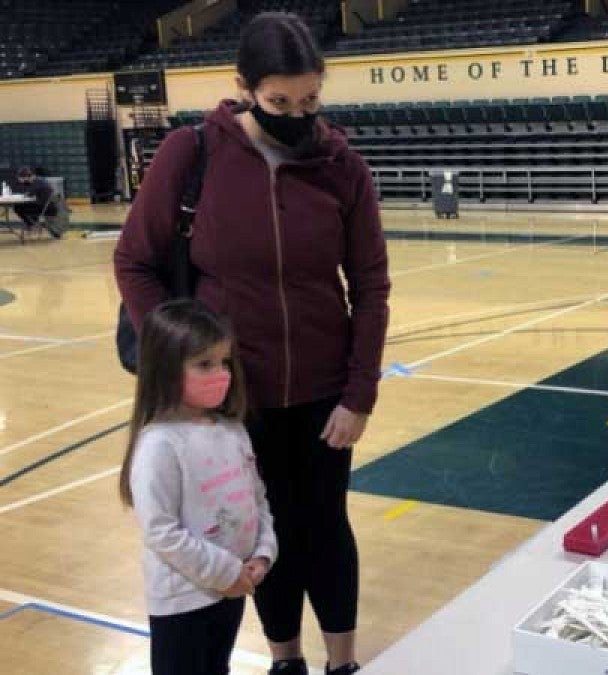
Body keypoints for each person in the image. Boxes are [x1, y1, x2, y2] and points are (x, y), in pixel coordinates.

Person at [114, 13, 391, 675]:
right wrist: (180, 354)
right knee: (261, 531)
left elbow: (372, 286)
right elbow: (134, 261)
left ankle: (343, 662)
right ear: (242, 87)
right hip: (234, 396)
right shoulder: (192, 155)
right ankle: (285, 658)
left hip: (326, 392)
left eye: (311, 100)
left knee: (323, 522)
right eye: (280, 102)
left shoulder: (342, 167)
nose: (299, 115)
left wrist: (360, 391)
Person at [121, 300, 276, 675]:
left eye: (224, 362)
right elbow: (161, 531)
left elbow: (257, 499)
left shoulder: (232, 430)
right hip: (184, 600)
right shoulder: (160, 445)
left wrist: (263, 553)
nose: (221, 374)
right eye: (205, 364)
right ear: (167, 369)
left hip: (232, 589)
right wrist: (226, 574)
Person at [13, 166, 61, 238]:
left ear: (26, 177)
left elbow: (28, 194)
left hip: (46, 208)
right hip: (49, 207)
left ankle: (32, 224)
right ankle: (36, 224)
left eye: (21, 178)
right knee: (23, 207)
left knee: (17, 207)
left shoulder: (36, 182)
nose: (20, 180)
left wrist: (24, 185)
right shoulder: (39, 180)